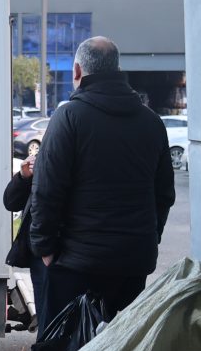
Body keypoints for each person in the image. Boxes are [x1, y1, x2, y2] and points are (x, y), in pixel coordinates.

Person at [29, 36, 175, 335]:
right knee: (120, 347)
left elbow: (47, 190)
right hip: (133, 262)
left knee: (66, 348)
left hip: (76, 263)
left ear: (77, 71)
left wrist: (44, 248)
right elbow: (164, 194)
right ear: (117, 69)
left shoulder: (69, 117)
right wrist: (149, 238)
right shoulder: (152, 122)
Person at [3, 153, 45, 325]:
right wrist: (23, 177)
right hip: (41, 253)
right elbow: (11, 202)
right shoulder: (44, 159)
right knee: (46, 315)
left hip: (58, 253)